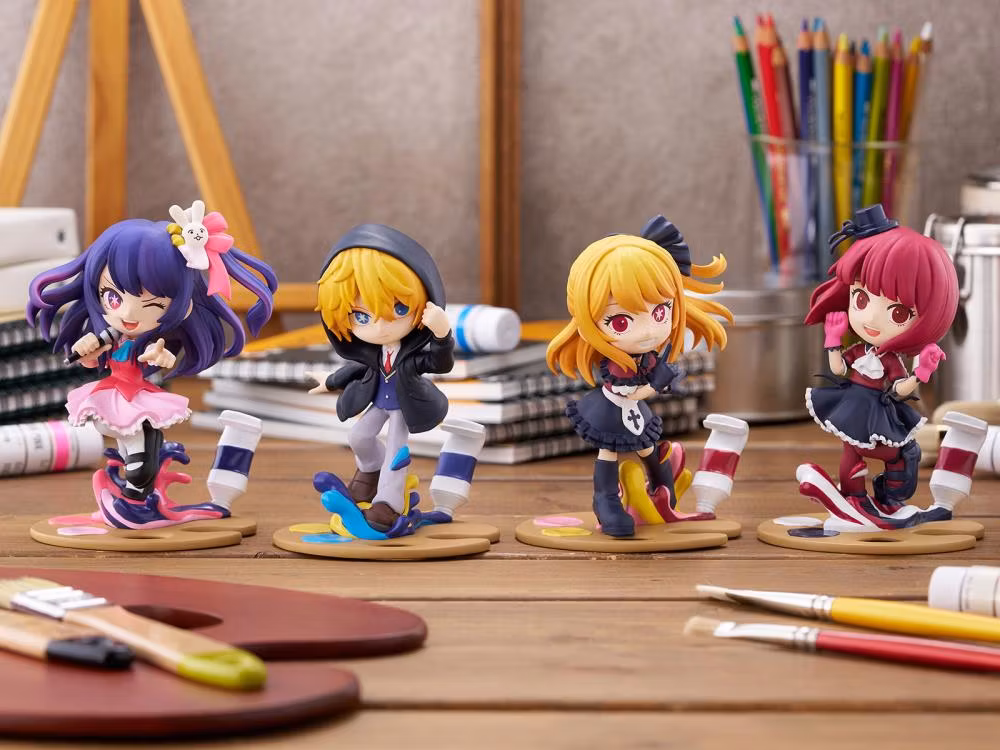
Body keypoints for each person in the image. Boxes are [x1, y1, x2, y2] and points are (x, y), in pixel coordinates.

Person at [546, 215, 733, 537]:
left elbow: (655, 381)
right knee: (608, 451)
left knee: (649, 450)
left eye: (660, 312)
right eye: (621, 321)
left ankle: (663, 490)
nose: (648, 331)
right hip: (610, 410)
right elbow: (629, 391)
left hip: (636, 413)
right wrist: (653, 386)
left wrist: (661, 380)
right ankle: (606, 500)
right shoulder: (618, 365)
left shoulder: (649, 357)